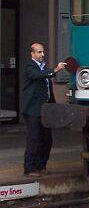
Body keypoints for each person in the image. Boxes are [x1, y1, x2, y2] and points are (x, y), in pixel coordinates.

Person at [22, 43, 66, 177]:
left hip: (46, 109)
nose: (42, 55)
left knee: (47, 139)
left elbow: (47, 88)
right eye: (39, 52)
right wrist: (55, 70)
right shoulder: (30, 67)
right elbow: (37, 75)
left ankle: (41, 165)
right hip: (33, 110)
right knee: (34, 138)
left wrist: (53, 105)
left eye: (43, 52)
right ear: (32, 54)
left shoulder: (43, 67)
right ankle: (29, 168)